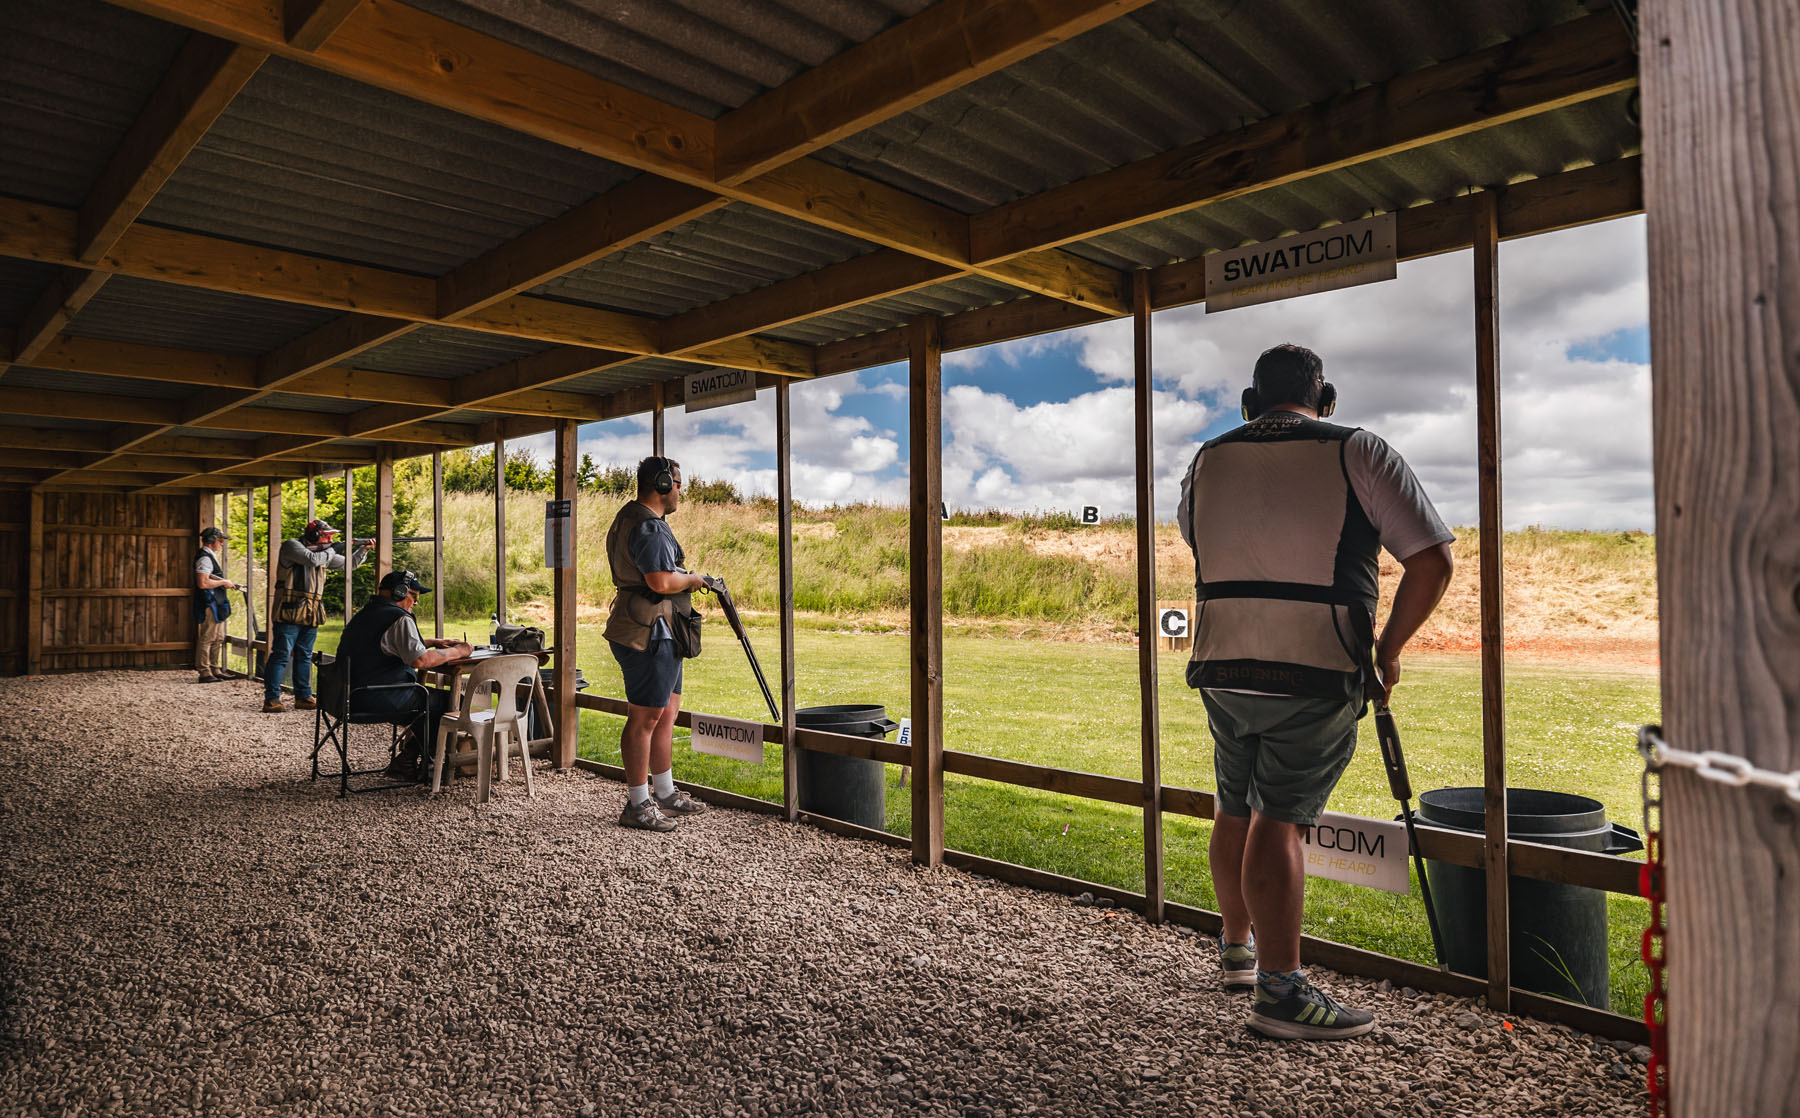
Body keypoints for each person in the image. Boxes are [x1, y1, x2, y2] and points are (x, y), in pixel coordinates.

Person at [1179, 343, 1454, 1041]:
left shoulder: (1209, 456)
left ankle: (1237, 951)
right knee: (1281, 819)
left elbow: (1198, 536)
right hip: (1313, 666)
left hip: (1219, 661)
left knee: (1233, 807)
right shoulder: (1359, 450)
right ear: (1323, 398)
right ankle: (1280, 991)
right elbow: (1431, 559)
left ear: (1252, 398)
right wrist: (1386, 651)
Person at [602, 455, 719, 831]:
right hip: (648, 632)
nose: (682, 491)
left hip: (660, 629)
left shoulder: (634, 517)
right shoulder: (650, 526)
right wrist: (694, 579)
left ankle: (664, 793)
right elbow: (660, 582)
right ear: (664, 483)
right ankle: (638, 803)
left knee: (665, 713)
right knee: (645, 719)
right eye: (679, 483)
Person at [333, 569, 471, 780]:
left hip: (345, 697)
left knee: (425, 702)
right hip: (377, 697)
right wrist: (459, 651)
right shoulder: (398, 618)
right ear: (399, 592)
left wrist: (432, 643)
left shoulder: (365, 614)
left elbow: (383, 644)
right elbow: (421, 661)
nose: (415, 602)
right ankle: (436, 765)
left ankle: (407, 759)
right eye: (413, 596)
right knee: (453, 702)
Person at [264, 518, 370, 714]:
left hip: (311, 612)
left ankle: (303, 696)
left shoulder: (323, 554)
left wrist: (363, 549)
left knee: (304, 655)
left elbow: (351, 564)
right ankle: (272, 699)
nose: (329, 539)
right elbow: (312, 559)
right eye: (325, 536)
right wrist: (334, 548)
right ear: (313, 535)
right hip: (288, 609)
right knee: (281, 654)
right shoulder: (292, 546)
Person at [193, 526, 241, 684]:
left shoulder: (209, 556)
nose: (221, 544)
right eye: (220, 541)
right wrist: (223, 582)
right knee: (208, 637)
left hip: (216, 602)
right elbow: (203, 582)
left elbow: (208, 575)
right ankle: (204, 671)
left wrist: (226, 583)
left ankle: (215, 668)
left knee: (218, 637)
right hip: (210, 602)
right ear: (212, 541)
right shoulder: (205, 557)